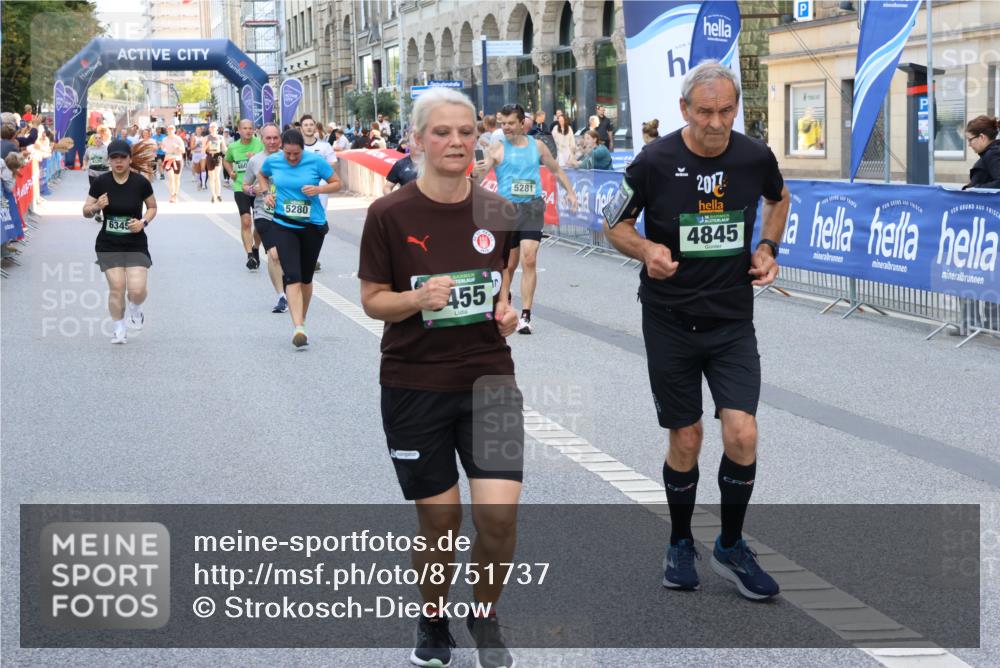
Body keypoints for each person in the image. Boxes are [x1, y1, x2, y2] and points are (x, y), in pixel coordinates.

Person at [603, 60, 790, 601]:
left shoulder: (755, 156)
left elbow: (780, 199)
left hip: (732, 319)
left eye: (726, 110)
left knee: (743, 433)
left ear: (737, 108)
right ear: (684, 109)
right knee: (686, 437)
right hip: (668, 320)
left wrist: (767, 247)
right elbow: (614, 224)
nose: (715, 122)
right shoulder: (654, 161)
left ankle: (731, 545)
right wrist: (646, 250)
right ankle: (680, 541)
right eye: (705, 111)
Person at [358, 86, 522, 668]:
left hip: (489, 380)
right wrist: (415, 297)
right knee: (442, 522)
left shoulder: (499, 211)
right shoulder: (388, 214)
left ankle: (485, 614)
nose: (456, 142)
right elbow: (373, 301)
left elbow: (502, 293)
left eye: (466, 132)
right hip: (414, 384)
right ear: (418, 141)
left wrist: (508, 313)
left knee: (499, 519)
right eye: (442, 132)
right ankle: (432, 617)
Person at [475, 102, 578, 335]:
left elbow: (556, 170)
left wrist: (570, 193)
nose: (506, 127)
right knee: (509, 265)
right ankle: (504, 302)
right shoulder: (496, 148)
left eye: (511, 123)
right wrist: (475, 175)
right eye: (503, 123)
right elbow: (480, 177)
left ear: (523, 123)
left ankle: (526, 315)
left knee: (529, 259)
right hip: (506, 210)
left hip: (532, 207)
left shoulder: (538, 145)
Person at [256, 129, 340, 348]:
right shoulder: (274, 161)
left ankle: (301, 318)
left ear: (303, 149)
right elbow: (262, 175)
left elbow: (336, 182)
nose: (292, 158)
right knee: (292, 275)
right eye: (288, 154)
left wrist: (319, 189)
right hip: (284, 224)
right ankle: (298, 327)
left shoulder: (315, 161)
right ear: (282, 148)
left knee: (306, 278)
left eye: (296, 154)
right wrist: (267, 193)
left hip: (312, 225)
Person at [82, 140, 158, 345]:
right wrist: (97, 205)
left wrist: (143, 222)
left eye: (122, 157)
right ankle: (119, 328)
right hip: (108, 243)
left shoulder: (141, 182)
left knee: (137, 290)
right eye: (114, 158)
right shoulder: (101, 183)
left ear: (129, 159)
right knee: (117, 287)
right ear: (109, 160)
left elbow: (152, 207)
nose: (118, 161)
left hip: (135, 242)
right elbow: (85, 212)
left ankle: (135, 307)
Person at [243, 124, 287, 314]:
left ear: (280, 139)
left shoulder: (290, 158)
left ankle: (289, 284)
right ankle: (282, 297)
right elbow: (245, 185)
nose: (272, 142)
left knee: (287, 256)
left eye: (275, 138)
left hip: (287, 213)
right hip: (263, 212)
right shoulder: (255, 161)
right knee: (274, 254)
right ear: (261, 139)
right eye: (268, 138)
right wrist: (254, 190)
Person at [223, 118, 265, 270]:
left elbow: (268, 162)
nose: (248, 131)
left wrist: (254, 158)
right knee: (246, 221)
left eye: (250, 128)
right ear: (239, 130)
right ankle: (249, 255)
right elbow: (226, 161)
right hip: (241, 188)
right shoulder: (233, 147)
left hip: (259, 188)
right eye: (244, 128)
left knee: (259, 225)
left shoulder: (260, 144)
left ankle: (256, 248)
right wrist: (230, 172)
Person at [161, 125, 185, 203]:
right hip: (168, 159)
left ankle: (175, 195)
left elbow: (183, 150)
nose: (170, 130)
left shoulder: (178, 139)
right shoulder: (164, 139)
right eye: (169, 129)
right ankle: (172, 195)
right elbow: (162, 147)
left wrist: (177, 147)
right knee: (171, 178)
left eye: (172, 129)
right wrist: (164, 149)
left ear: (174, 130)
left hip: (177, 158)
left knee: (176, 178)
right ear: (167, 130)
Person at [203, 123, 225, 202]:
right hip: (209, 157)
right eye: (211, 127)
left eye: (214, 127)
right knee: (211, 177)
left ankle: (218, 194)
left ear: (217, 128)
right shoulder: (206, 138)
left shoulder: (220, 137)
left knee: (217, 176)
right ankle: (213, 195)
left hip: (218, 156)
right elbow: (202, 150)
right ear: (209, 129)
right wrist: (207, 145)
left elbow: (224, 148)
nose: (213, 128)